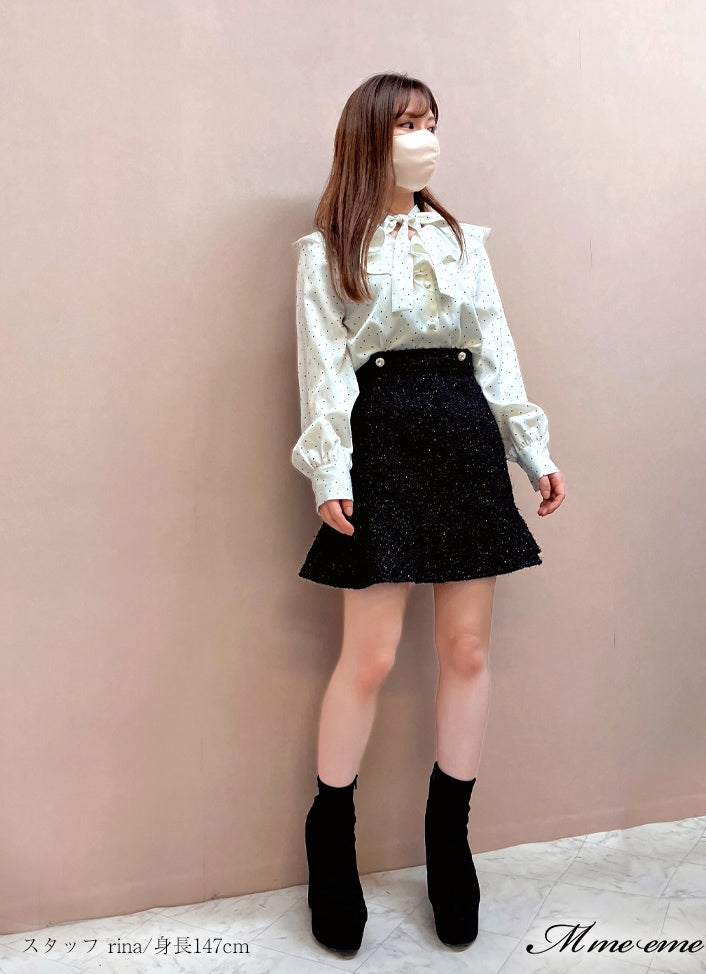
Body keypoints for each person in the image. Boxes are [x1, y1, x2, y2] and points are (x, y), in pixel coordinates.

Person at [291, 72, 566, 956]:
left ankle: (449, 841)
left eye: (432, 122)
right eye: (407, 124)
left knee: (467, 650)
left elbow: (498, 352)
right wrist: (331, 470)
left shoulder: (461, 240)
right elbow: (323, 369)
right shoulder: (326, 248)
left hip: (464, 436)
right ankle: (330, 843)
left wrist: (533, 452)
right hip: (382, 442)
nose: (425, 138)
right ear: (369, 137)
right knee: (369, 657)